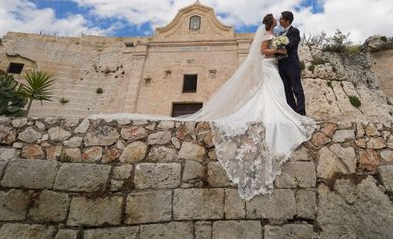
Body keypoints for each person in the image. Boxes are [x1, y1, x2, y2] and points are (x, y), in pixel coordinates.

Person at [89, 13, 316, 200]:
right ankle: (279, 115)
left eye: (280, 20)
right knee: (271, 93)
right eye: (275, 21)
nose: (277, 22)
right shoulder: (269, 35)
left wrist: (278, 49)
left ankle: (282, 114)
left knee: (274, 92)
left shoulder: (276, 34)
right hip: (270, 65)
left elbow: (271, 49)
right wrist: (277, 50)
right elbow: (263, 51)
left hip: (275, 67)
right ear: (271, 23)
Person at [278, 11, 307, 116]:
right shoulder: (280, 34)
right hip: (281, 65)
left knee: (297, 89)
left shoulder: (295, 31)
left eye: (281, 18)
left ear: (287, 20)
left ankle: (301, 113)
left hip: (292, 64)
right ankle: (294, 113)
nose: (279, 20)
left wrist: (280, 46)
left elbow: (291, 45)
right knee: (287, 90)